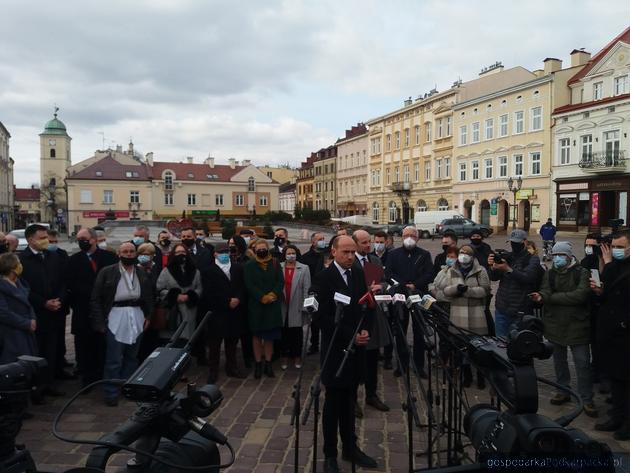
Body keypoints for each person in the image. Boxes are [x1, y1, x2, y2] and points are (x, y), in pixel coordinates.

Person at [310, 235, 377, 473]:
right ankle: (330, 453)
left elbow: (365, 305)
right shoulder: (323, 277)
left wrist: (366, 329)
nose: (350, 256)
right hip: (335, 352)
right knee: (333, 404)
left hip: (356, 349)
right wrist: (350, 335)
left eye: (352, 252)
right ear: (334, 251)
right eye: (345, 252)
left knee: (350, 401)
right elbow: (319, 318)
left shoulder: (358, 273)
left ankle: (350, 447)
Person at [529, 241, 596, 417]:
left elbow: (580, 295)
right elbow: (545, 291)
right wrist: (541, 296)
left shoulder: (582, 272)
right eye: (555, 255)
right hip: (554, 324)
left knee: (582, 363)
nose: (557, 258)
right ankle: (563, 390)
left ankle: (587, 399)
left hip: (577, 325)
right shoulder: (550, 274)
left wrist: (552, 298)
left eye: (561, 255)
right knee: (559, 361)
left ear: (569, 256)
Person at [90, 241, 154, 406]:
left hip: (137, 315)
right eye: (125, 251)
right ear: (119, 254)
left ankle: (128, 388)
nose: (129, 254)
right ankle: (111, 392)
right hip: (115, 316)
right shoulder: (107, 272)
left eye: (132, 251)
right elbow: (96, 298)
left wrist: (148, 316)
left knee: (132, 356)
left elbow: (149, 296)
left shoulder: (141, 272)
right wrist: (99, 322)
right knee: (114, 358)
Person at [19, 224, 67, 398]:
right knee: (36, 351)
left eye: (46, 237)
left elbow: (62, 281)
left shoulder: (53, 257)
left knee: (51, 349)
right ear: (30, 239)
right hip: (35, 312)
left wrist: (58, 300)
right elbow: (23, 288)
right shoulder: (22, 260)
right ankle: (35, 387)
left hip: (54, 310)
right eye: (41, 238)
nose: (45, 241)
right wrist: (44, 302)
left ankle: (49, 383)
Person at [433, 244, 490, 388]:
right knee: (462, 349)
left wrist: (468, 291)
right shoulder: (452, 270)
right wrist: (456, 289)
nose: (463, 256)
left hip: (476, 315)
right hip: (458, 315)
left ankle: (481, 376)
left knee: (478, 349)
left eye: (467, 254)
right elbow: (445, 290)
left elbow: (485, 290)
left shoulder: (480, 270)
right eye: (462, 253)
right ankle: (467, 375)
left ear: (472, 256)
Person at [591, 230, 630, 440]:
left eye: (620, 247)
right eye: (613, 246)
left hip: (625, 333)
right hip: (611, 333)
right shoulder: (614, 265)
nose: (615, 250)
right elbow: (605, 289)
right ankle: (616, 416)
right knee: (616, 379)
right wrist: (606, 263)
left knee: (627, 381)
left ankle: (627, 423)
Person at [67, 228, 118, 388]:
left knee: (103, 344)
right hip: (83, 310)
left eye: (84, 238)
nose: (81, 241)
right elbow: (70, 284)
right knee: (84, 345)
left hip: (106, 309)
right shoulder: (73, 260)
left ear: (94, 239)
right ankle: (86, 377)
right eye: (79, 239)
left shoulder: (109, 257)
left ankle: (103, 375)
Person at [385, 225, 433, 377]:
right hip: (400, 295)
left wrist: (415, 285)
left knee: (419, 331)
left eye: (412, 235)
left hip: (418, 294)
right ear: (402, 237)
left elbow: (429, 274)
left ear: (417, 238)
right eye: (406, 235)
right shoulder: (393, 254)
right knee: (400, 330)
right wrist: (403, 284)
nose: (409, 238)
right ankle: (401, 364)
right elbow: (389, 273)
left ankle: (419, 366)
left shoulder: (424, 254)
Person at [352, 229, 390, 413]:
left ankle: (371, 394)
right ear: (355, 244)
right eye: (364, 243)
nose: (369, 245)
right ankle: (351, 398)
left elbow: (383, 281)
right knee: (355, 359)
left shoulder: (375, 260)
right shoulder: (350, 262)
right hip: (356, 315)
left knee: (372, 358)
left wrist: (380, 287)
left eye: (369, 242)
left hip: (373, 315)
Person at [201, 242, 247, 383]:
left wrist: (238, 298)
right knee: (214, 344)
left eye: (226, 251)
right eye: (221, 252)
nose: (224, 254)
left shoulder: (238, 268)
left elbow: (242, 286)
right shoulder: (208, 270)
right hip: (217, 311)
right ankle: (213, 371)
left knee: (232, 342)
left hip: (235, 311)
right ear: (215, 254)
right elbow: (209, 292)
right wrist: (227, 301)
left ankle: (231, 367)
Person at [488, 229, 544, 338]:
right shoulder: (507, 257)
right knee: (500, 344)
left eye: (517, 243)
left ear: (524, 242)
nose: (514, 245)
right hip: (502, 308)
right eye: (512, 242)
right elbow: (494, 278)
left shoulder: (533, 259)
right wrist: (493, 267)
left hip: (521, 310)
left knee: (519, 346)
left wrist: (508, 269)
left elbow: (527, 278)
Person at [243, 239, 284, 379]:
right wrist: (262, 297)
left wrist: (273, 294)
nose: (261, 251)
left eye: (263, 248)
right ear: (254, 251)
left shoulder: (275, 263)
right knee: (256, 336)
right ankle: (258, 363)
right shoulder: (249, 265)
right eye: (258, 249)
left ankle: (268, 363)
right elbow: (249, 284)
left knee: (269, 337)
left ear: (267, 249)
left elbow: (280, 281)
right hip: (257, 305)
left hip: (272, 305)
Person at [156, 243, 203, 342]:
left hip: (190, 310)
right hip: (173, 310)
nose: (180, 254)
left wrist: (190, 296)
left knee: (189, 339)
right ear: (173, 254)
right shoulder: (166, 271)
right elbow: (160, 289)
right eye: (177, 252)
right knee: (172, 340)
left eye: (182, 252)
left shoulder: (195, 271)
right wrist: (174, 295)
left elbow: (199, 288)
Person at [581, 233, 607, 390]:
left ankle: (604, 374)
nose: (589, 248)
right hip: (589, 308)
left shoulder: (608, 263)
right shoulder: (585, 262)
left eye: (592, 246)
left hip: (604, 308)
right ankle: (595, 371)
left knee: (602, 345)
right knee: (591, 343)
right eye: (587, 245)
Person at [0, 253, 37, 363]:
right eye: (18, 263)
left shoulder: (19, 282)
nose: (21, 265)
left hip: (26, 331)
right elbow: (3, 313)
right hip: (11, 333)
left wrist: (33, 319)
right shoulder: (3, 286)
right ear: (12, 267)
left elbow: (28, 305)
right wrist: (27, 323)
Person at [47, 229, 74, 379]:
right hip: (45, 305)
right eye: (49, 241)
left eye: (54, 241)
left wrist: (61, 299)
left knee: (60, 334)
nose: (53, 244)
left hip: (60, 302)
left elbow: (66, 278)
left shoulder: (62, 254)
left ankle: (61, 360)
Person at [279, 245, 310, 370]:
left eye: (293, 253)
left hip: (297, 306)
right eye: (289, 253)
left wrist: (305, 306)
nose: (291, 255)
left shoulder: (304, 268)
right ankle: (284, 357)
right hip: (282, 305)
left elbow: (307, 289)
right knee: (284, 334)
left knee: (296, 334)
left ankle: (297, 356)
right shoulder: (279, 267)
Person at [301, 232, 328, 354]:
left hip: (327, 292)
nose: (323, 241)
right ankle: (314, 344)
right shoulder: (306, 257)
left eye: (323, 239)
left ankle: (327, 344)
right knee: (315, 321)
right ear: (313, 242)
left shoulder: (328, 254)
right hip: (314, 291)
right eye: (320, 239)